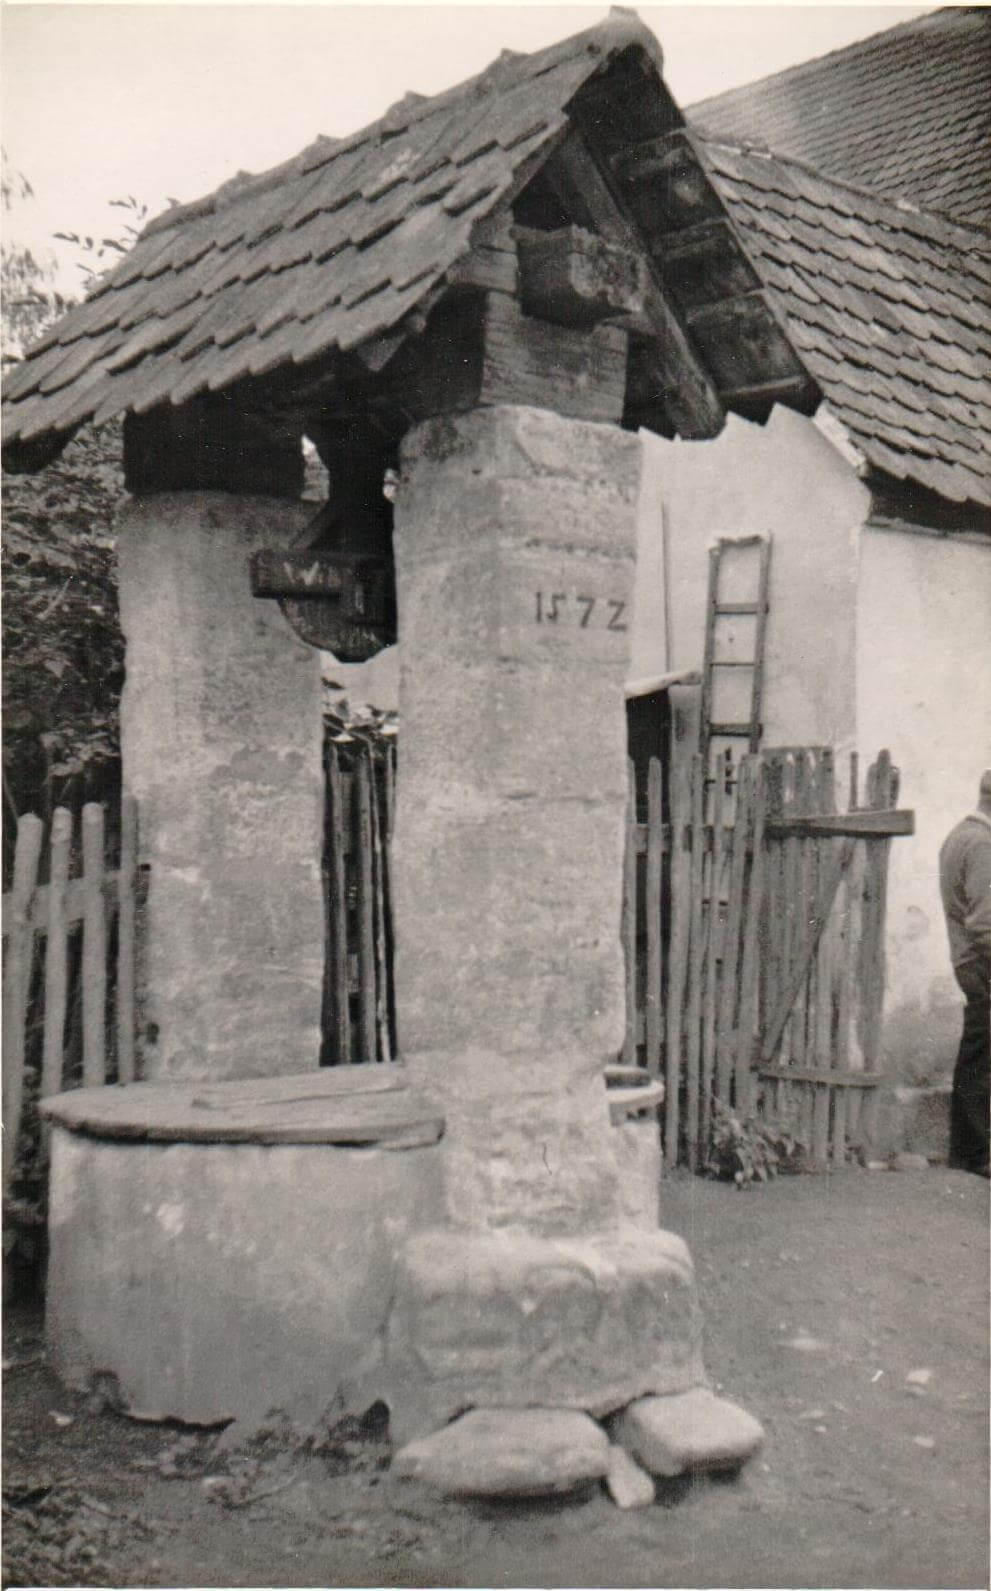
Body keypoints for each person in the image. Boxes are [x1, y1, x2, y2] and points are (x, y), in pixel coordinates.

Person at [939, 771, 991, 1175]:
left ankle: (970, 1150)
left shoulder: (959, 835)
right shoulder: (983, 843)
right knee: (981, 1057)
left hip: (968, 960)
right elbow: (984, 922)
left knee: (978, 1053)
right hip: (982, 960)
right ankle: (974, 1154)